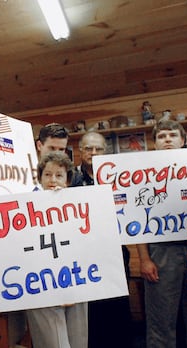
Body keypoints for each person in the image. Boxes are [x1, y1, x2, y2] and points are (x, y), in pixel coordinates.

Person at [71, 131, 133, 347]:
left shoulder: (119, 176)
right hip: (83, 254)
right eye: (88, 148)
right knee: (91, 311)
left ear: (106, 151)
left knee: (117, 307)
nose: (94, 152)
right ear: (80, 150)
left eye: (98, 148)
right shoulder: (70, 178)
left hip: (115, 252)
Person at [136, 119, 187, 348]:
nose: (167, 139)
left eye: (172, 135)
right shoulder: (141, 173)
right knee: (161, 321)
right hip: (161, 250)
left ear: (183, 140)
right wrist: (145, 258)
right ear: (154, 143)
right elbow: (136, 219)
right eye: (161, 136)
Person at [26, 151, 89, 348]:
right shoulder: (25, 207)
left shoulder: (82, 206)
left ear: (68, 180)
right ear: (40, 177)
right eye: (47, 174)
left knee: (79, 342)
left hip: (77, 284)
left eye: (59, 175)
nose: (53, 180)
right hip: (42, 286)